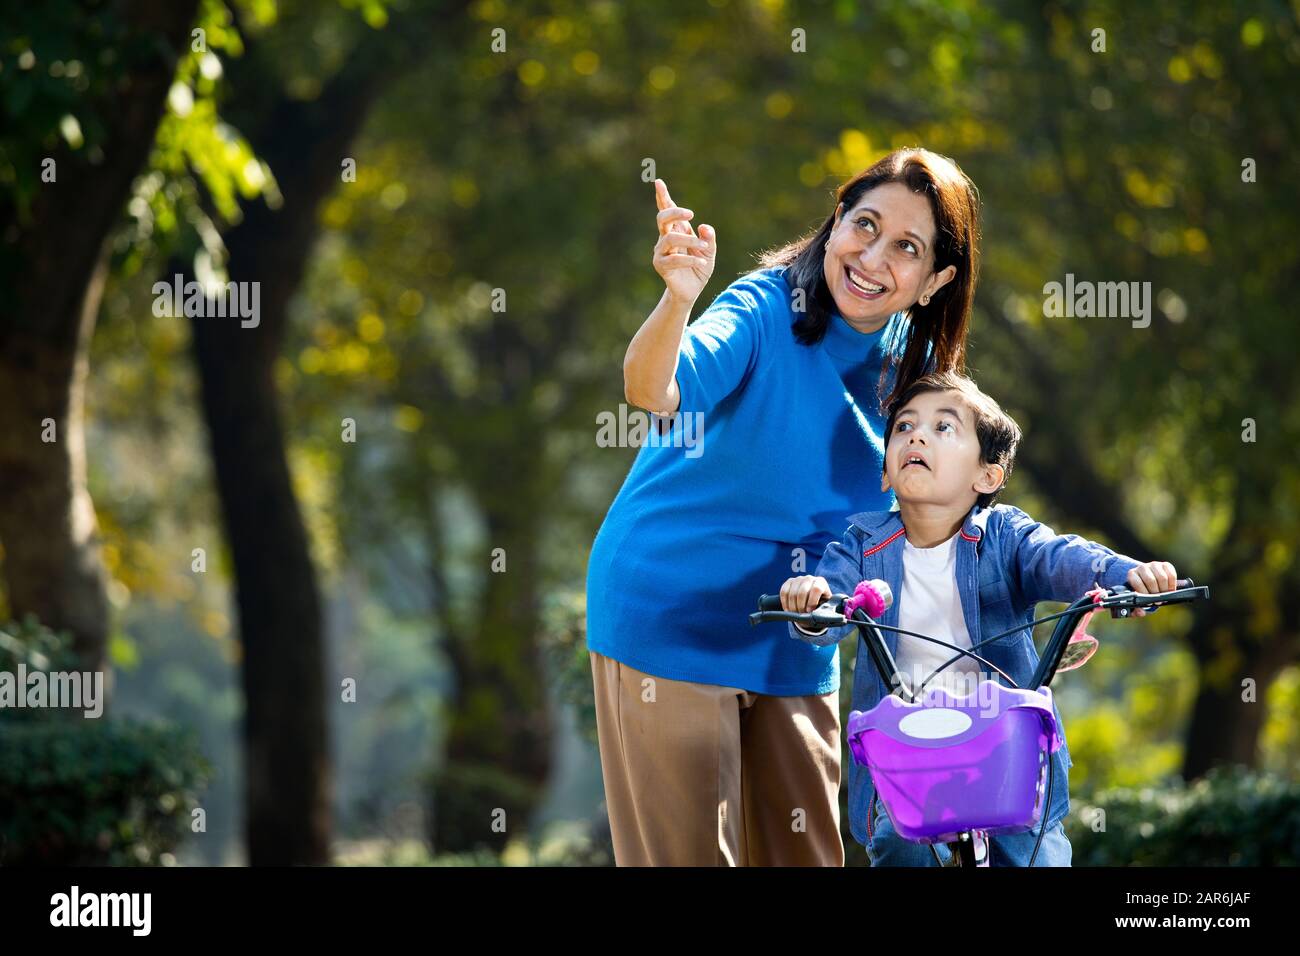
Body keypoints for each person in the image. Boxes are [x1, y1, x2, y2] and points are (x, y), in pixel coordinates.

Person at [586, 148, 981, 865]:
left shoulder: (917, 380)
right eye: (864, 225)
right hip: (673, 617)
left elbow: (941, 523)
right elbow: (655, 390)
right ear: (835, 223)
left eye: (907, 248)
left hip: (799, 631)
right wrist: (677, 298)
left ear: (936, 280)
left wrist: (1021, 602)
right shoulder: (764, 308)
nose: (873, 256)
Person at [779, 370, 1179, 865]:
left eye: (943, 427)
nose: (917, 435)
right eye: (904, 427)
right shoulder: (861, 546)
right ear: (885, 471)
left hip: (1003, 753)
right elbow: (831, 608)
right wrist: (812, 601)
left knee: (1036, 852)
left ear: (986, 476)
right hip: (910, 758)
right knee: (899, 846)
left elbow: (1061, 558)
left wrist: (1132, 575)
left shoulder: (1004, 537)